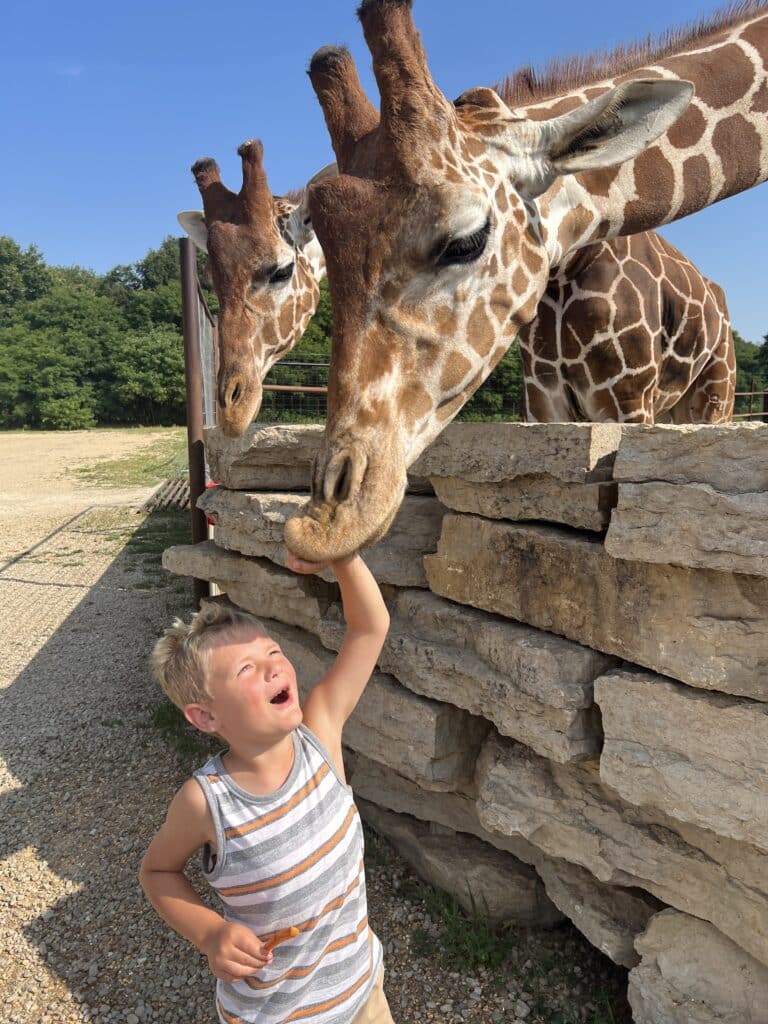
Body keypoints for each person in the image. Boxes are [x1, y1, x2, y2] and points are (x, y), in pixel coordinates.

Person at [140, 550, 394, 1024]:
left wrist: (342, 554)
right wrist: (212, 933)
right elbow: (157, 873)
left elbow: (369, 628)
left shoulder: (321, 731)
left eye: (273, 653)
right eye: (246, 670)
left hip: (362, 994)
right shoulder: (207, 802)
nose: (274, 668)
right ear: (206, 716)